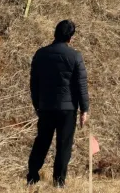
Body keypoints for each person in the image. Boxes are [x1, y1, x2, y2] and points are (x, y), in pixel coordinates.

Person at [26, 20, 90, 188]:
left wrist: (37, 105)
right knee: (64, 145)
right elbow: (81, 84)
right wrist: (84, 109)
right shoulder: (75, 56)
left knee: (42, 142)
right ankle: (59, 182)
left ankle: (32, 176)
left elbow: (34, 83)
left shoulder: (40, 54)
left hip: (46, 107)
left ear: (55, 33)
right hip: (67, 109)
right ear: (71, 37)